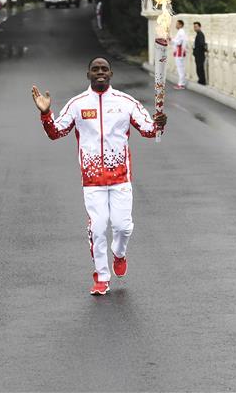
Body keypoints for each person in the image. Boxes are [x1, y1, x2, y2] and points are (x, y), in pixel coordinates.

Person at [32, 57, 167, 295]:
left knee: (123, 227)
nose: (100, 72)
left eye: (104, 69)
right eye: (95, 69)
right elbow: (56, 132)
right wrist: (46, 114)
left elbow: (149, 130)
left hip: (120, 178)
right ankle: (102, 277)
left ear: (111, 74)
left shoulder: (126, 103)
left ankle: (120, 253)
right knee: (98, 228)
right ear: (88, 75)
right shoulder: (77, 104)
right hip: (92, 180)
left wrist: (159, 124)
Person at [172, 19, 187, 89]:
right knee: (181, 68)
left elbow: (179, 42)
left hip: (179, 52)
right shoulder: (180, 32)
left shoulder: (181, 32)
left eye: (177, 24)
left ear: (181, 25)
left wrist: (172, 40)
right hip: (179, 52)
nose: (176, 25)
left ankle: (181, 84)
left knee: (180, 68)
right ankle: (181, 83)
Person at [193, 21, 208, 85]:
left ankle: (202, 81)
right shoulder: (198, 34)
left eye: (196, 27)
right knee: (199, 68)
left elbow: (202, 44)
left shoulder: (200, 34)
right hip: (198, 55)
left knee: (200, 68)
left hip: (200, 55)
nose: (195, 28)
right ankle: (200, 80)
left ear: (199, 27)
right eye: (194, 27)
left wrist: (205, 49)